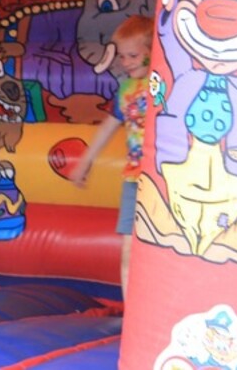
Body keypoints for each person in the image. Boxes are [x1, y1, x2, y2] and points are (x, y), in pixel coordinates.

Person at [70, 15, 153, 294]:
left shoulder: (162, 84)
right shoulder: (126, 90)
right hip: (133, 180)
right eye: (122, 56)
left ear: (152, 52)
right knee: (128, 249)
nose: (126, 62)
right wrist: (85, 162)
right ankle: (131, 309)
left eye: (133, 55)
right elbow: (108, 127)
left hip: (162, 180)